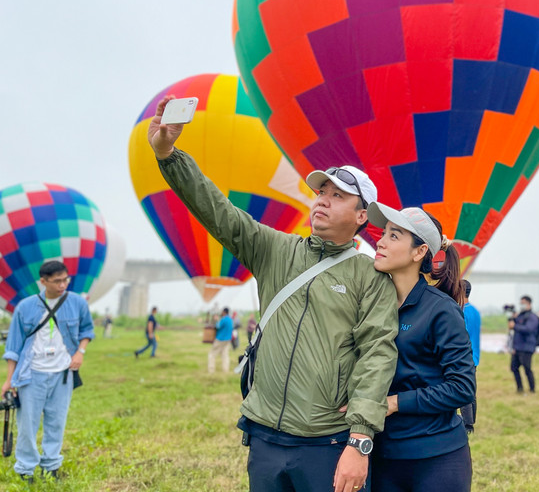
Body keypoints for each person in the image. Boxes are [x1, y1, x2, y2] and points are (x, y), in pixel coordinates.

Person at [148, 95, 397, 492]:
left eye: (338, 196)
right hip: (265, 436)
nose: (323, 201)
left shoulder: (370, 276)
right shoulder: (275, 249)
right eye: (321, 193)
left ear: (362, 215)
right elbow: (217, 210)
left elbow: (378, 354)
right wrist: (169, 155)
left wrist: (360, 441)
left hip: (328, 441)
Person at [365, 203, 475, 492]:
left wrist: (394, 403)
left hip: (435, 459)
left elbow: (462, 387)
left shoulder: (441, 311)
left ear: (419, 252)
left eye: (394, 236)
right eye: (384, 233)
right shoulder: (373, 305)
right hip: (381, 455)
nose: (381, 241)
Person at [1, 260, 93, 482]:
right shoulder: (25, 307)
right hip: (32, 374)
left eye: (66, 279)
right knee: (27, 425)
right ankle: (26, 470)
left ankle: (51, 467)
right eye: (57, 281)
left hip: (62, 374)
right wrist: (9, 379)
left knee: (56, 422)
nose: (63, 285)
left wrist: (80, 352)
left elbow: (87, 329)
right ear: (43, 282)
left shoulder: (77, 303)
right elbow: (13, 347)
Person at [459, 280, 479, 434]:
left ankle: (467, 426)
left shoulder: (462, 311)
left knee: (462, 389)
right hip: (474, 356)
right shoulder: (475, 311)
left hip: (464, 356)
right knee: (471, 390)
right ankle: (471, 423)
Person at [509, 296, 539, 393]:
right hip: (517, 347)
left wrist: (515, 326)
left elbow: (528, 329)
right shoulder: (519, 316)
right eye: (520, 303)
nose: (521, 305)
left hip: (527, 347)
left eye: (523, 303)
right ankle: (520, 388)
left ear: (529, 303)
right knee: (514, 368)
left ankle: (532, 389)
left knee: (527, 369)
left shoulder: (532, 317)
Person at [209, 308, 234, 373]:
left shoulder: (223, 319)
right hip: (228, 339)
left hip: (220, 339)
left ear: (224, 312)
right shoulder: (230, 319)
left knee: (212, 354)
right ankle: (225, 370)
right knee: (225, 355)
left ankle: (211, 370)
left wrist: (216, 320)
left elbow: (217, 326)